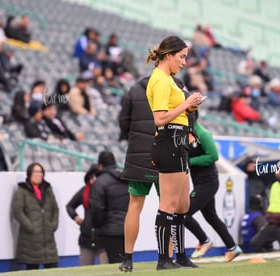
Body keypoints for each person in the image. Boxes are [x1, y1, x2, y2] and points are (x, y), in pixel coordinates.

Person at [118, 75, 187, 272]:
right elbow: (189, 115)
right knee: (169, 206)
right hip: (167, 151)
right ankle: (167, 258)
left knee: (134, 205)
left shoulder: (133, 89)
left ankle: (127, 260)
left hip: (138, 155)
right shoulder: (176, 85)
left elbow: (123, 122)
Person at [145, 35, 203, 270]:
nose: (184, 62)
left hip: (178, 143)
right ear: (168, 55)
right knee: (168, 204)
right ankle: (163, 259)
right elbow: (159, 119)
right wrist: (183, 105)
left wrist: (188, 106)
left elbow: (173, 112)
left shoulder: (168, 80)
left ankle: (180, 256)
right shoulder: (160, 80)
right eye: (181, 57)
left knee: (182, 206)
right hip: (169, 142)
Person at [185, 111, 242, 262]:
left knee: (183, 213)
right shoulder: (187, 135)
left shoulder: (203, 134)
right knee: (211, 216)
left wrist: (188, 162)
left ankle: (204, 241)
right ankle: (233, 248)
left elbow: (213, 156)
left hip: (208, 181)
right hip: (200, 181)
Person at [12, 162, 59, 270]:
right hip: (30, 240)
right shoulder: (22, 191)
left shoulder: (47, 190)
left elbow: (55, 209)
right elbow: (18, 211)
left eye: (41, 172)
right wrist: (30, 227)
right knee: (32, 269)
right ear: (29, 174)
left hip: (48, 239)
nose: (40, 174)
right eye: (37, 172)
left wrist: (53, 225)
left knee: (53, 269)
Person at [89, 151, 129, 264]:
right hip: (129, 227)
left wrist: (98, 227)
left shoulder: (100, 182)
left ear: (100, 165)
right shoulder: (125, 177)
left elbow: (96, 209)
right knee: (126, 262)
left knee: (115, 263)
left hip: (110, 230)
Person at [66, 165, 108, 266]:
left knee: (107, 270)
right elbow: (70, 206)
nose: (94, 179)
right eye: (91, 177)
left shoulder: (107, 191)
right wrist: (75, 217)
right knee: (84, 270)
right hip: (86, 238)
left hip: (104, 238)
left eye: (97, 176)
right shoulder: (84, 192)